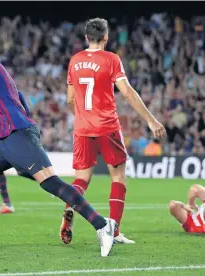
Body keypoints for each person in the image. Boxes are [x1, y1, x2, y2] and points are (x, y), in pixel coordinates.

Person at [0, 32, 117, 257]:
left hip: (18, 134)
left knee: (51, 184)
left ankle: (103, 225)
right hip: (4, 138)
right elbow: (17, 95)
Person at [62, 17, 167, 245]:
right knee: (118, 177)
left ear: (86, 37)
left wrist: (82, 117)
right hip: (107, 126)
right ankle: (115, 231)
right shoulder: (111, 59)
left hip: (82, 127)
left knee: (81, 179)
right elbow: (127, 92)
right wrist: (151, 120)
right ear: (106, 37)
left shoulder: (75, 60)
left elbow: (70, 99)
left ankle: (69, 207)